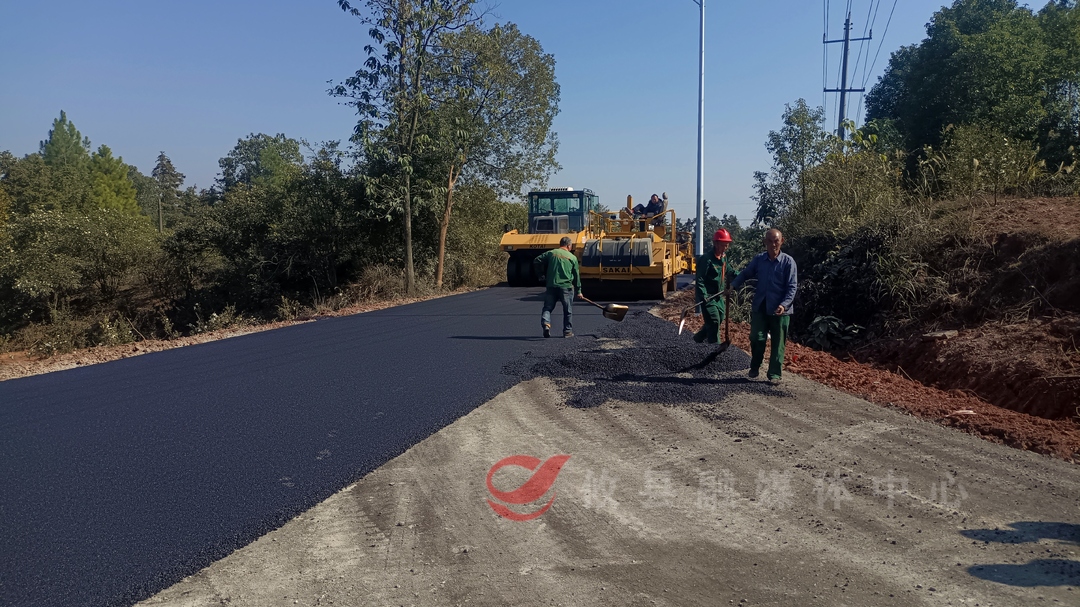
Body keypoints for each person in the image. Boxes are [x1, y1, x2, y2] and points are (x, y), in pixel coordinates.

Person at [728, 228, 798, 382]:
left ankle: (774, 373)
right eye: (770, 241)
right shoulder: (759, 260)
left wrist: (784, 305)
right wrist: (733, 285)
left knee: (778, 343)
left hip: (781, 310)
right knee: (756, 338)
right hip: (761, 306)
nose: (773, 244)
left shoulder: (788, 262)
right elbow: (747, 273)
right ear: (765, 242)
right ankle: (755, 365)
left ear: (782, 241)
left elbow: (792, 287)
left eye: (776, 241)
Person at [533, 236, 582, 338]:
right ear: (569, 245)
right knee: (567, 310)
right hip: (566, 287)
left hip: (551, 286)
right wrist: (579, 291)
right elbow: (576, 276)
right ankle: (567, 332)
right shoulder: (572, 257)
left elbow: (537, 260)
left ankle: (546, 323)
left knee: (547, 307)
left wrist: (541, 274)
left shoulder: (551, 253)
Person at [693, 228, 733, 344]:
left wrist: (741, 275)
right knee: (714, 321)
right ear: (715, 243)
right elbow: (700, 279)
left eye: (727, 245)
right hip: (709, 297)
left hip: (719, 296)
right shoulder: (706, 259)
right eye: (723, 245)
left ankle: (699, 337)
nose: (726, 248)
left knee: (720, 318)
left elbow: (729, 270)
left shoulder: (724, 257)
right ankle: (714, 347)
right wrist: (704, 295)